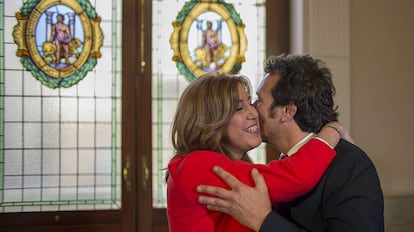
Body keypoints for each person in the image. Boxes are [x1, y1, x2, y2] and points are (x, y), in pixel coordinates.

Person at [197, 54, 384, 232]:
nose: (253, 110)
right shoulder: (281, 167)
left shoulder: (349, 165)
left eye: (259, 101)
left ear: (287, 111)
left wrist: (264, 221)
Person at [166, 73, 347, 232]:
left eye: (251, 102)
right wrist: (332, 131)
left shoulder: (233, 166)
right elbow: (294, 176)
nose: (253, 112)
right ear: (210, 121)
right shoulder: (195, 165)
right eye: (239, 108)